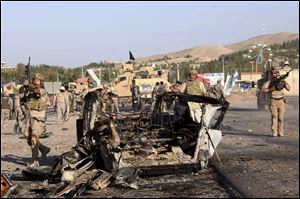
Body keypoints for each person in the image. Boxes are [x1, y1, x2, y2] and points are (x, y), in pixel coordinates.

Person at [24, 73, 50, 167]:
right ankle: (43, 149)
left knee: (34, 138)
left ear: (41, 82)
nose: (35, 81)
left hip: (39, 118)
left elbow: (37, 91)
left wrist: (29, 85)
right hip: (30, 117)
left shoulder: (42, 90)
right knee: (27, 136)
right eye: (34, 80)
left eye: (37, 80)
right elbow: (24, 100)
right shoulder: (31, 91)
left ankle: (34, 160)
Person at [261, 67, 291, 137]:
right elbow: (263, 89)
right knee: (274, 117)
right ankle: (274, 131)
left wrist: (284, 82)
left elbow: (289, 88)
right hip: (273, 101)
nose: (276, 74)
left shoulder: (282, 81)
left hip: (281, 101)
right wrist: (272, 88)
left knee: (281, 117)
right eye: (274, 73)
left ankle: (280, 131)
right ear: (272, 75)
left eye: (277, 73)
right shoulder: (270, 82)